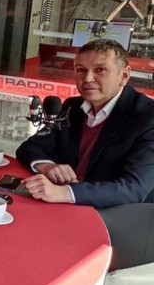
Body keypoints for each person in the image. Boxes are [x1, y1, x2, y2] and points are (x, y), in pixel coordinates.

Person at [16, 39, 154, 208]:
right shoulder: (72, 107)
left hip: (115, 213)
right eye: (81, 70)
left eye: (100, 70)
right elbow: (30, 147)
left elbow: (133, 189)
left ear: (124, 76)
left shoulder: (147, 117)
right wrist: (47, 166)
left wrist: (65, 192)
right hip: (63, 205)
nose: (87, 78)